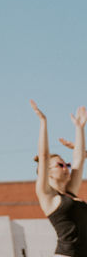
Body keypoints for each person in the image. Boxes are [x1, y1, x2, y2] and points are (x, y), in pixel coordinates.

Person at [31, 100, 87, 256]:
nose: (66, 168)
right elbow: (43, 155)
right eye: (60, 165)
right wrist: (43, 122)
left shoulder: (71, 192)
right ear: (47, 172)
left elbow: (79, 159)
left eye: (66, 165)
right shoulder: (48, 195)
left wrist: (80, 128)